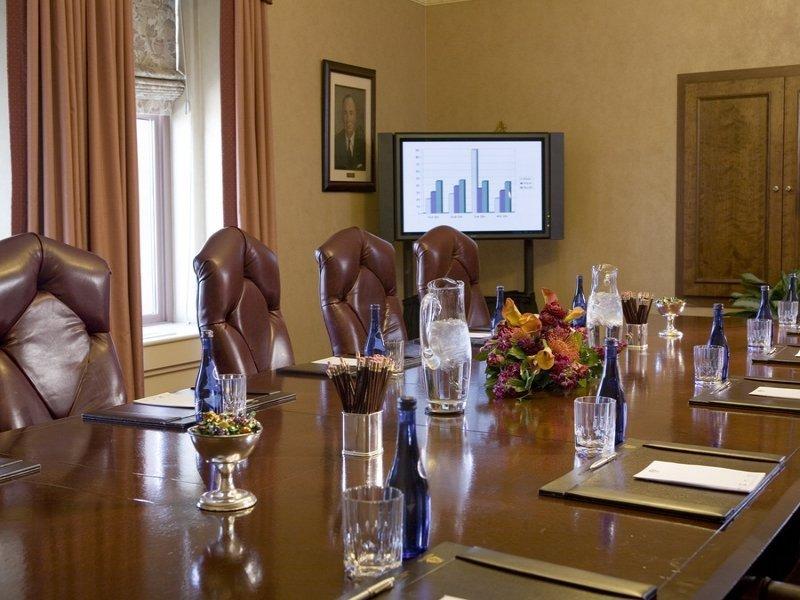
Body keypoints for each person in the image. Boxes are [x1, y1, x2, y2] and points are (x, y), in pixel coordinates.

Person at [334, 94, 366, 171]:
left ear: (356, 116)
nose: (348, 119)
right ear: (342, 116)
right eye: (345, 113)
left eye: (351, 113)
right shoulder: (335, 142)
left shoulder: (364, 143)